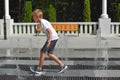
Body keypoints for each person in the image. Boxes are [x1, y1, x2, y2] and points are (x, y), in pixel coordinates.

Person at [30, 9, 68, 75]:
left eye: (33, 16)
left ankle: (39, 69)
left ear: (37, 16)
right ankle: (63, 65)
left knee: (42, 52)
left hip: (52, 38)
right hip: (54, 38)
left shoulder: (43, 22)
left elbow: (50, 32)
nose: (33, 18)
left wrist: (49, 41)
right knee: (49, 54)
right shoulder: (42, 22)